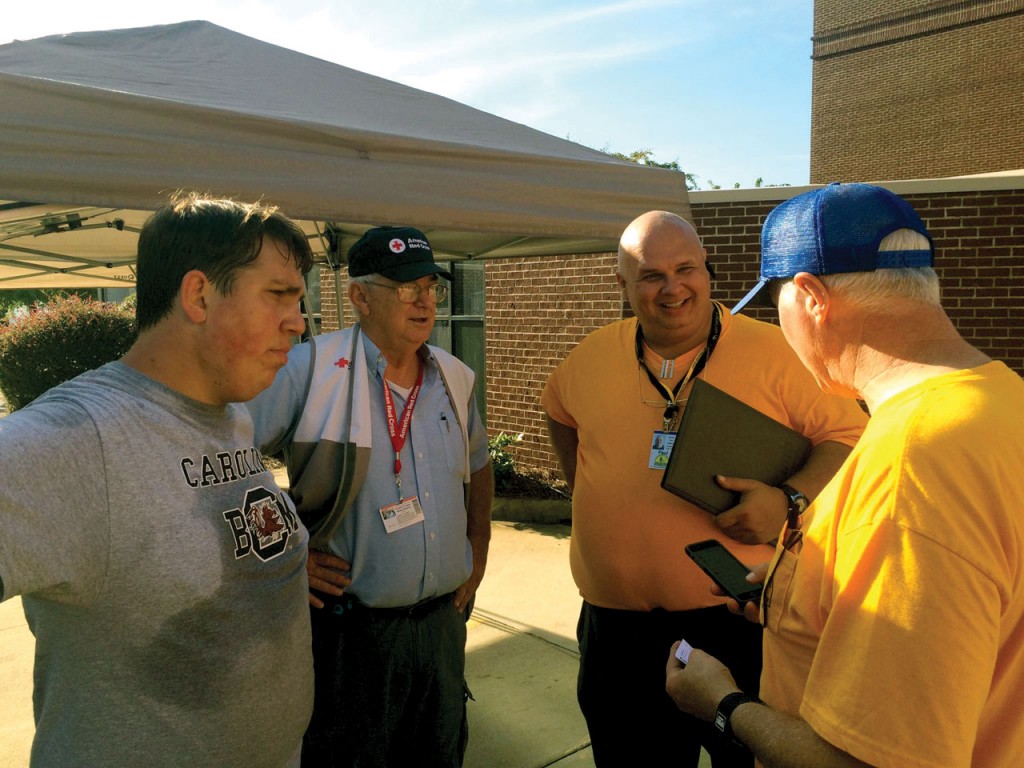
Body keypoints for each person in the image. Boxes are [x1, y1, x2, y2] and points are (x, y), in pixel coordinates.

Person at [665, 182, 1024, 767]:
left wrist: (723, 703)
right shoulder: (1003, 401)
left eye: (775, 301)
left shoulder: (914, 461)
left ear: (809, 298)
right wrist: (803, 596)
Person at [542, 210, 867, 766]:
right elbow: (559, 413)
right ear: (623, 284)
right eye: (650, 275)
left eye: (685, 268)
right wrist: (592, 495)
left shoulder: (779, 352)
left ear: (708, 271)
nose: (672, 288)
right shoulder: (590, 356)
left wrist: (790, 500)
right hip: (615, 632)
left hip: (738, 621)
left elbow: (851, 436)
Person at [0, 193, 315, 767]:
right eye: (279, 295)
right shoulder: (78, 439)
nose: (299, 321)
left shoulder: (231, 411)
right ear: (198, 295)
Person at [247, 225, 493, 767]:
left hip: (442, 626)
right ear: (360, 295)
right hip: (352, 634)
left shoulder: (454, 377)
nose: (424, 300)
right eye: (406, 287)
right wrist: (287, 553)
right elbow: (227, 457)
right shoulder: (308, 369)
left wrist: (479, 548)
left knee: (440, 753)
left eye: (432, 286)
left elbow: (478, 463)